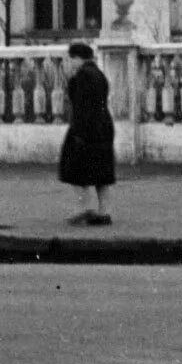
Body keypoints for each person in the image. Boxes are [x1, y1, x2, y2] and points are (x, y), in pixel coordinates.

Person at [59, 40, 116, 225]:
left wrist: (79, 133)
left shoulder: (81, 76)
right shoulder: (99, 74)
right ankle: (104, 211)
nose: (70, 62)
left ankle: (84, 208)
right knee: (102, 172)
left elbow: (81, 106)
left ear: (77, 58)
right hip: (104, 126)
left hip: (87, 128)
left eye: (71, 58)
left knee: (72, 168)